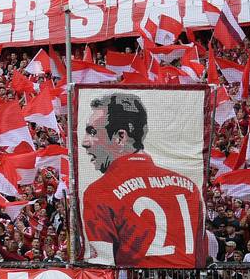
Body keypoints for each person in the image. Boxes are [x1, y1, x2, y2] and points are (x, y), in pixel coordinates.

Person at [80, 92, 206, 267]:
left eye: (93, 132)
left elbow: (101, 269)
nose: (84, 142)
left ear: (120, 137)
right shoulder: (189, 187)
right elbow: (200, 258)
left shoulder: (100, 192)